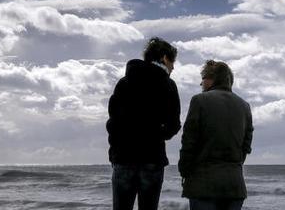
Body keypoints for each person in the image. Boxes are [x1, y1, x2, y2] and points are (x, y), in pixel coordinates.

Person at [107, 37, 181, 210]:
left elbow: (113, 122)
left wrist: (114, 153)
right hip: (152, 158)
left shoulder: (124, 83)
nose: (173, 67)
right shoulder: (168, 85)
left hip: (123, 157)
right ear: (164, 58)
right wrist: (157, 134)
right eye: (172, 61)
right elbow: (174, 125)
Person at [179, 60, 254, 210]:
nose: (201, 84)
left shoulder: (199, 101)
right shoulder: (244, 106)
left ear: (212, 79)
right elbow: (246, 146)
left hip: (203, 184)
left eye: (203, 78)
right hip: (235, 185)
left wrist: (184, 171)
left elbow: (189, 141)